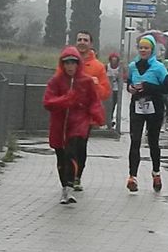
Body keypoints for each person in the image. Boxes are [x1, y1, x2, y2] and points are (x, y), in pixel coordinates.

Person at [43, 46, 105, 204]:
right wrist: (65, 100)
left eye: (73, 62)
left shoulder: (85, 81)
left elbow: (94, 101)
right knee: (61, 158)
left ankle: (70, 187)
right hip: (59, 125)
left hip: (78, 123)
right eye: (66, 63)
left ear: (78, 64)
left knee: (71, 153)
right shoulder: (55, 81)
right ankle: (65, 187)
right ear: (62, 64)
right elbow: (48, 102)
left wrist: (97, 116)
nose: (70, 66)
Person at [126, 35, 168, 192]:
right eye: (141, 47)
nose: (143, 50)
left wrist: (148, 86)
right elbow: (129, 83)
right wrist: (131, 89)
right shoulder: (133, 66)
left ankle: (156, 173)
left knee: (153, 141)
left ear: (152, 50)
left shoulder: (159, 67)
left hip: (155, 106)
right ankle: (132, 177)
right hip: (137, 105)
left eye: (146, 48)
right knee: (135, 140)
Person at [71, 31, 111, 191]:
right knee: (67, 146)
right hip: (68, 111)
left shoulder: (98, 67)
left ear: (91, 44)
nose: (82, 42)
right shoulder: (67, 62)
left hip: (86, 115)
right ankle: (68, 176)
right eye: (79, 39)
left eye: (85, 40)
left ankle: (76, 177)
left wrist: (94, 85)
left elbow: (105, 93)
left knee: (80, 145)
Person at [106, 52, 126, 128]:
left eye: (115, 60)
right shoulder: (107, 67)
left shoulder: (120, 68)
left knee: (114, 105)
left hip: (116, 89)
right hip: (108, 89)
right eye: (112, 60)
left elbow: (125, 76)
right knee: (108, 105)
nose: (114, 62)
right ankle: (108, 119)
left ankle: (111, 119)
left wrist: (120, 76)